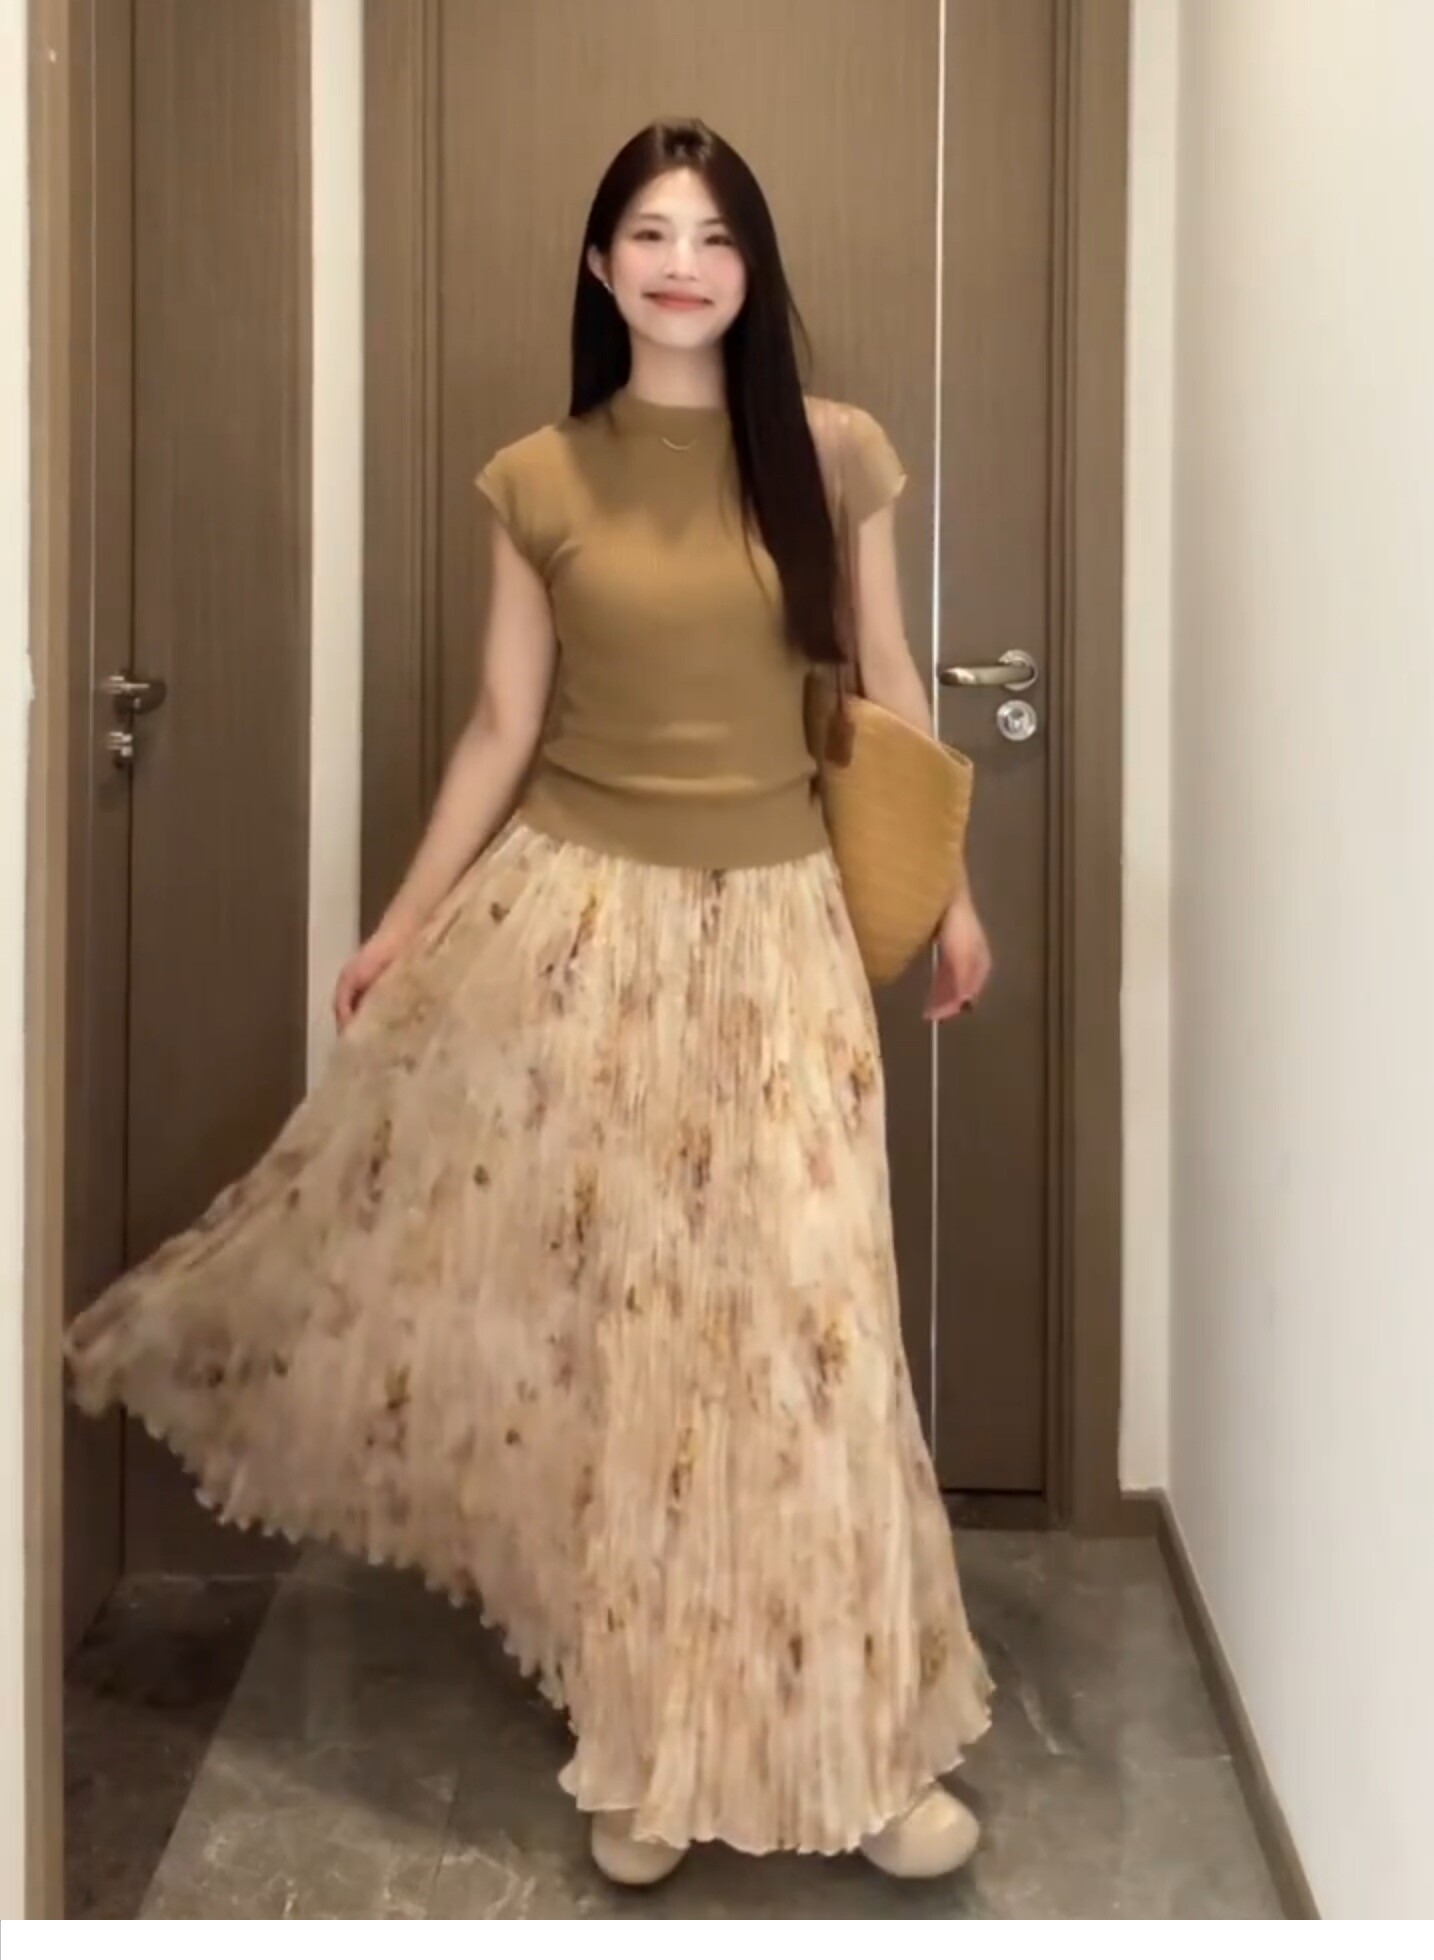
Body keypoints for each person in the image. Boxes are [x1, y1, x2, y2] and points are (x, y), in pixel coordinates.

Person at [65, 118, 995, 1888]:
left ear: (751, 270)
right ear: (598, 265)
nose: (680, 264)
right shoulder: (539, 479)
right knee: (631, 1340)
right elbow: (505, 723)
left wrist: (952, 893)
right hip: (585, 935)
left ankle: (864, 1755)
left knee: (812, 1332)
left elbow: (887, 683)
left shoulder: (834, 452)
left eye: (712, 236)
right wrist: (406, 921)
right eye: (648, 232)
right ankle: (645, 1747)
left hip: (782, 938)